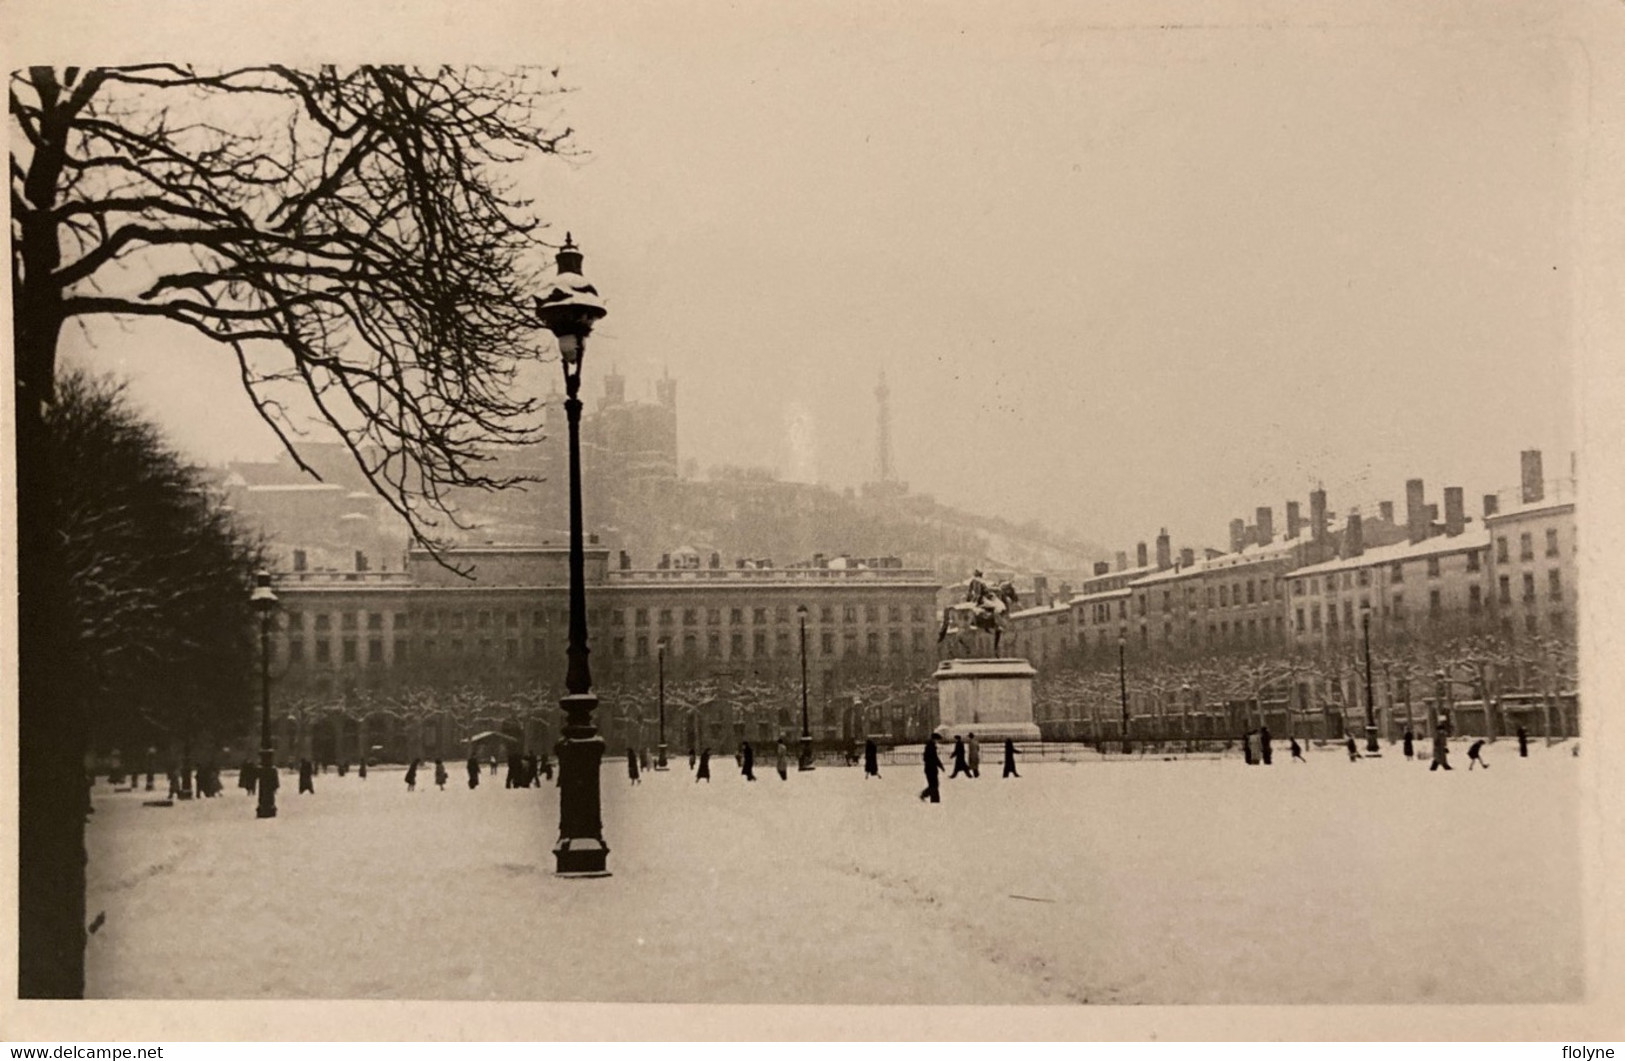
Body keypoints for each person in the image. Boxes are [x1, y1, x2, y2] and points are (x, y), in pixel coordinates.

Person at [920, 734, 944, 803]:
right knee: (934, 785)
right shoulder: (930, 747)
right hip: (931, 769)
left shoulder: (930, 746)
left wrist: (940, 766)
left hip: (930, 769)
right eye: (937, 740)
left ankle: (935, 800)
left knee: (934, 785)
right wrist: (939, 765)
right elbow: (933, 758)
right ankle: (925, 795)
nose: (937, 742)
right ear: (934, 739)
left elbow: (933, 758)